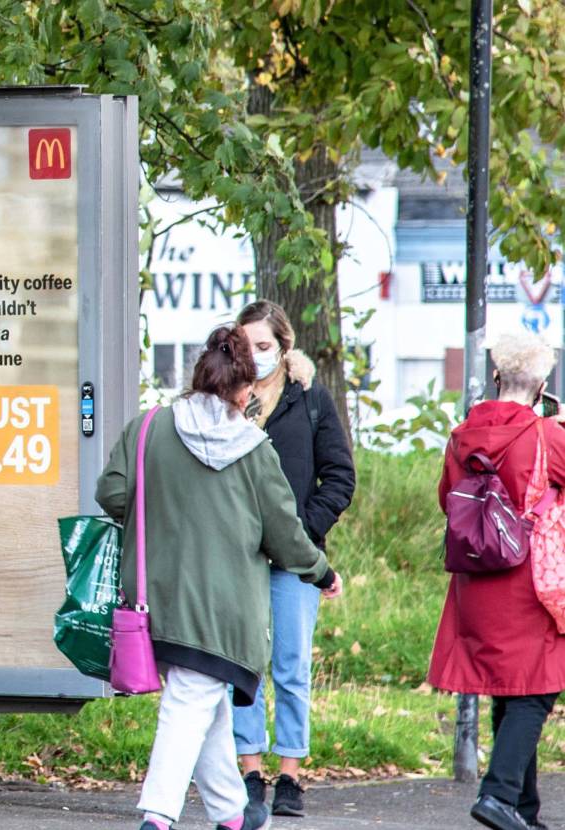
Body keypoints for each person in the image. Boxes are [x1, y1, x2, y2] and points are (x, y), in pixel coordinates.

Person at [96, 325, 342, 830]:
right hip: (224, 612)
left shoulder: (148, 429)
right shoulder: (254, 449)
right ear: (244, 390)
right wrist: (321, 572)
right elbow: (286, 534)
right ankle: (157, 817)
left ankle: (233, 814)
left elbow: (113, 494)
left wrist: (164, 512)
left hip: (155, 598)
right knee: (190, 704)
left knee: (204, 704)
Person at [431, 333, 565, 830]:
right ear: (542, 385)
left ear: (495, 377)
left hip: (476, 581)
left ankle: (523, 812)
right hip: (530, 580)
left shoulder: (461, 434)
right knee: (537, 690)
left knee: (511, 689)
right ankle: (498, 794)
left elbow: (448, 498)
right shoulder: (546, 435)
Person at [233, 300, 356, 816]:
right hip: (236, 555)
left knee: (290, 664)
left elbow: (340, 476)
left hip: (296, 558)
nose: (255, 356)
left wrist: (302, 533)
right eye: (246, 347)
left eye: (264, 347)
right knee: (243, 663)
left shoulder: (310, 398)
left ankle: (290, 774)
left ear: (284, 347)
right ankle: (249, 770)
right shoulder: (226, 398)